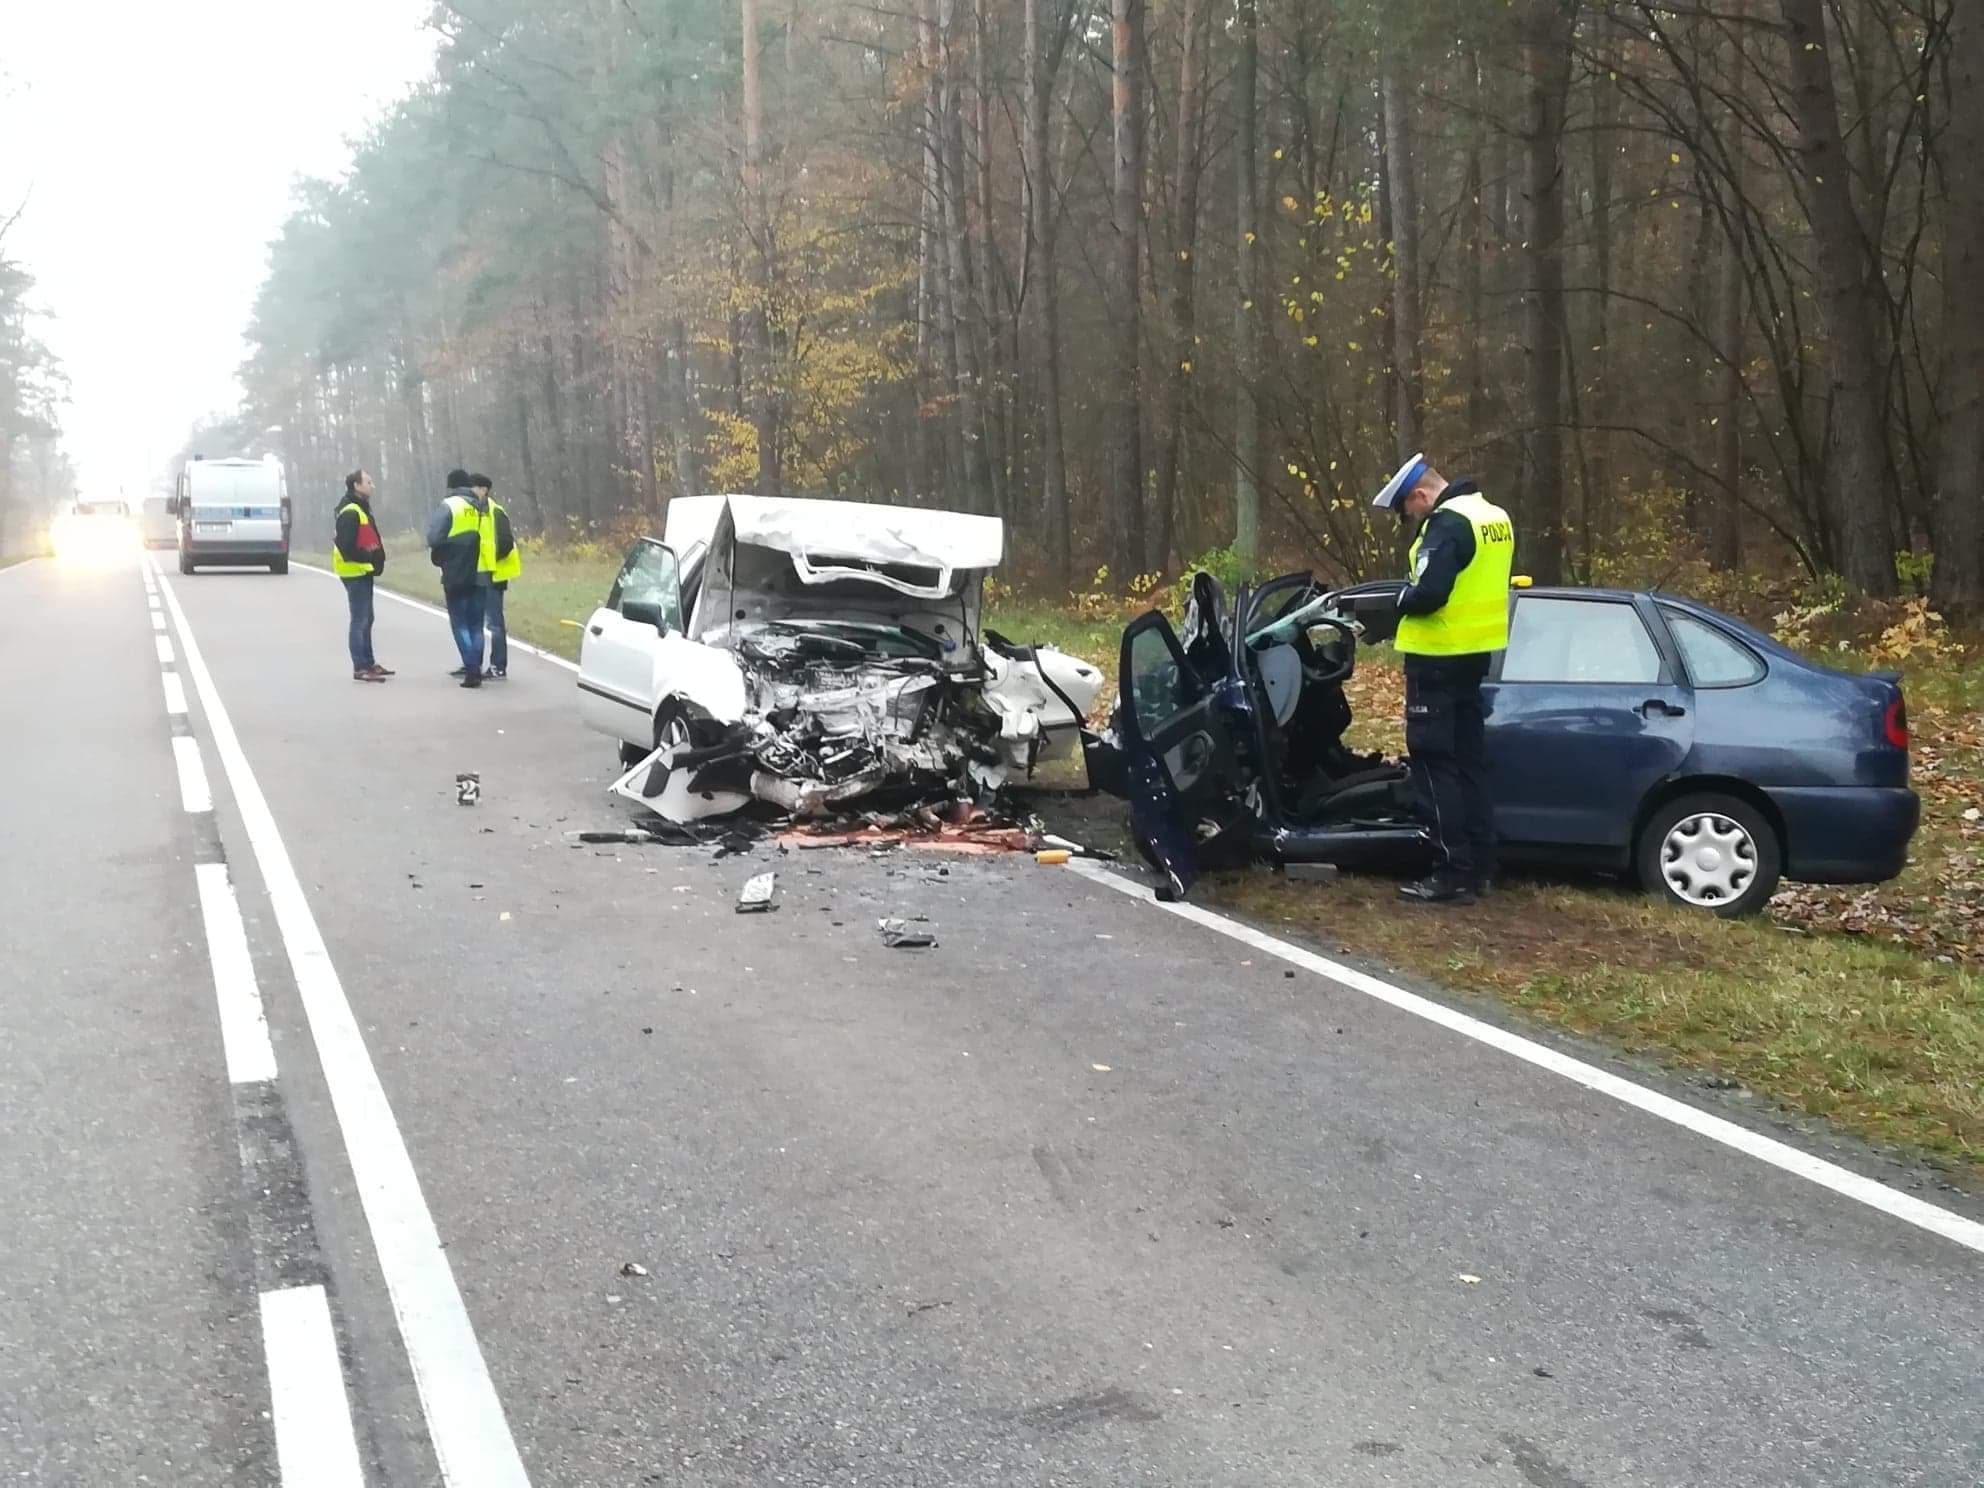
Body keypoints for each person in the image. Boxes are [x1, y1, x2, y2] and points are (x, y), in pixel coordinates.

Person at [1371, 452, 1516, 905]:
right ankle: (1480, 865)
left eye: (1405, 511)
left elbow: (1430, 593)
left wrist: (1393, 603)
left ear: (1420, 494)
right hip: (1475, 657)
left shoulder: (1447, 524)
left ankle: (1450, 870)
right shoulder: (1494, 516)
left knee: (1434, 765)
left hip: (1437, 659)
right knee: (1469, 761)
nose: (1408, 521)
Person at [427, 467, 495, 688]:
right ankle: (477, 664)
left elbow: (434, 538)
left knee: (460, 624)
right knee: (476, 625)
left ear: (451, 486)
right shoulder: (482, 507)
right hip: (481, 569)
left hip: (457, 571)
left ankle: (472, 668)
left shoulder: (449, 506)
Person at [331, 469, 393, 682]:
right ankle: (360, 666)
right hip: (354, 570)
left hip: (363, 569)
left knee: (368, 618)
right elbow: (345, 544)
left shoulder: (361, 508)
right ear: (356, 485)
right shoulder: (350, 511)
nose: (372, 485)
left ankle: (369, 662)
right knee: (360, 619)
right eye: (368, 481)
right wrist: (367, 557)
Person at [472, 474, 521, 679]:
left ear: (484, 490)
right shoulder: (475, 512)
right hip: (480, 574)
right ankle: (474, 664)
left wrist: (491, 562)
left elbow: (506, 543)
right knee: (480, 622)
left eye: (473, 488)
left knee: (495, 623)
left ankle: (498, 665)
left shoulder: (496, 512)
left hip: (495, 575)